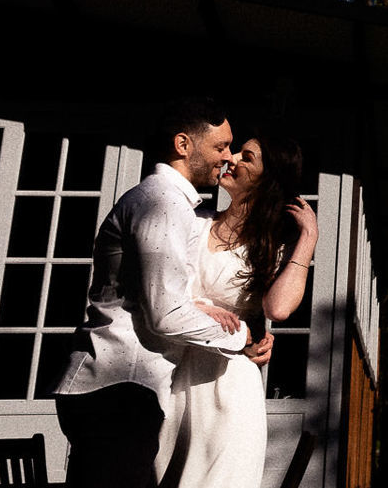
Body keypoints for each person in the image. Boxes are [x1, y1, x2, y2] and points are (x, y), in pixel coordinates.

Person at [54, 98, 256, 488]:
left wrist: (201, 307)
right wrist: (240, 337)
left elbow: (154, 294)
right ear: (183, 145)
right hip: (118, 387)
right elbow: (166, 315)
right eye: (220, 147)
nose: (228, 157)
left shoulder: (170, 203)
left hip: (121, 390)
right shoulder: (162, 203)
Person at [156, 130, 319, 488]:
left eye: (247, 157)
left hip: (228, 389)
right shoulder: (195, 222)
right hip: (175, 380)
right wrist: (200, 308)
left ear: (267, 179)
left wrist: (308, 236)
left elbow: (277, 308)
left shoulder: (270, 247)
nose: (231, 159)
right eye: (235, 152)